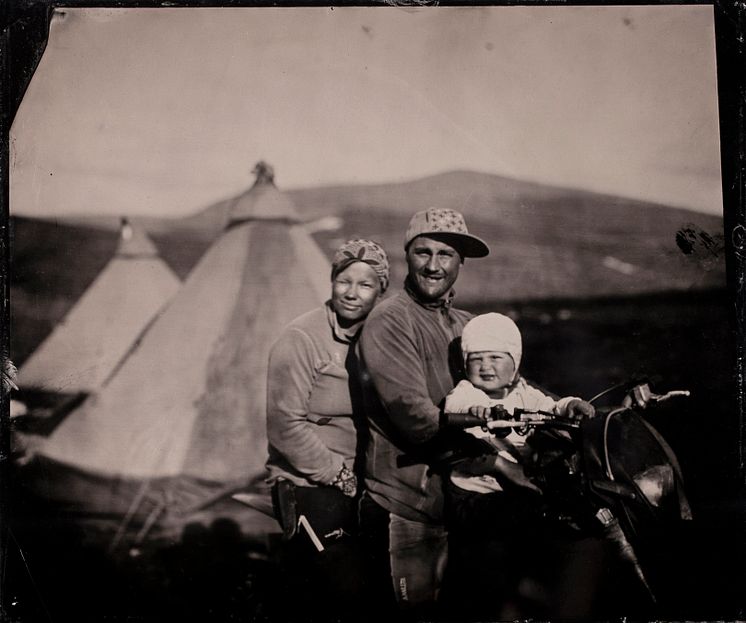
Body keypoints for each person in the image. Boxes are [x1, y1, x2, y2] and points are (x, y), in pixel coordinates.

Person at [356, 207, 490, 615]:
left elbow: (512, 389)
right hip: (408, 504)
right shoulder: (389, 322)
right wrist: (490, 427)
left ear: (460, 263)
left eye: (445, 255)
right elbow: (416, 418)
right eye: (423, 253)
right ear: (407, 257)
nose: (434, 266)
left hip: (464, 501)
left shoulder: (468, 325)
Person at [440, 312, 595, 618]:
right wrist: (477, 411)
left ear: (515, 364)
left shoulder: (523, 393)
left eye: (496, 357)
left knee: (560, 511)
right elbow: (454, 405)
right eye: (477, 359)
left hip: (511, 487)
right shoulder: (468, 393)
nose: (485, 367)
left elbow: (551, 406)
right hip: (473, 493)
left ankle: (539, 583)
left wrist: (570, 405)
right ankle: (509, 590)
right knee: (512, 526)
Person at [265, 238, 389, 618]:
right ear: (332, 281)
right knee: (343, 585)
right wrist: (339, 475)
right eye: (344, 281)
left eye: (365, 284)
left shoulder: (381, 338)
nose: (352, 293)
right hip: (311, 480)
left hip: (367, 478)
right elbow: (284, 425)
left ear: (381, 291)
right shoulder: (301, 338)